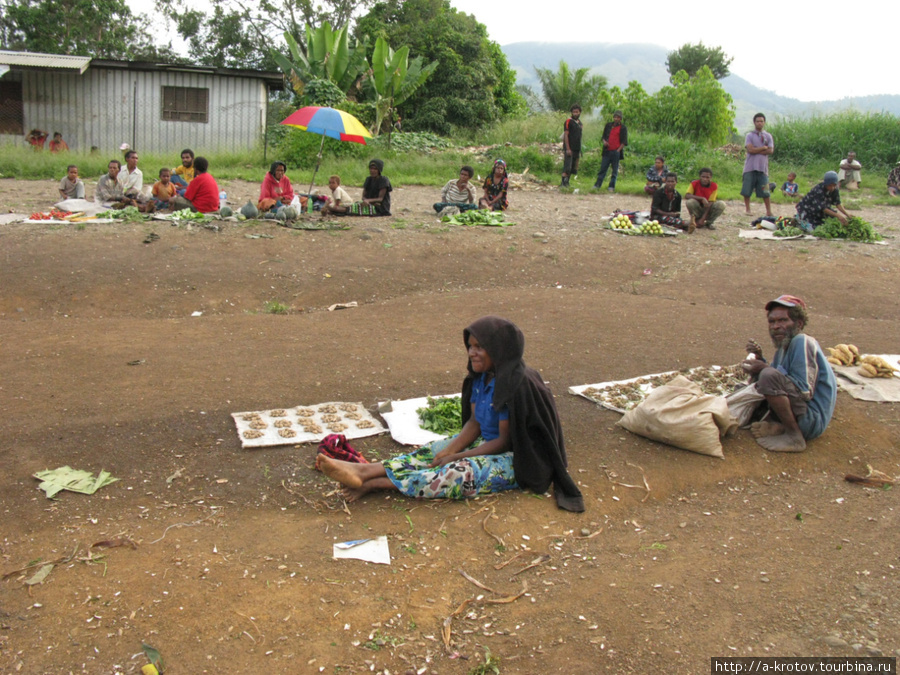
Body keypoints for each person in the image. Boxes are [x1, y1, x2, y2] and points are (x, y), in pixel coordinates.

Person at [316, 316, 585, 512]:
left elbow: (503, 441)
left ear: (499, 349)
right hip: (485, 445)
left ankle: (373, 484)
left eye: (480, 347)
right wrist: (448, 449)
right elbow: (475, 422)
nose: (472, 352)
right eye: (470, 346)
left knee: (457, 473)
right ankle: (363, 470)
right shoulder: (481, 378)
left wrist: (458, 456)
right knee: (431, 450)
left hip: (515, 459)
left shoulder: (516, 383)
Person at [741, 295, 837, 452]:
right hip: (799, 412)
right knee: (762, 378)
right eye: (772, 322)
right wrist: (759, 358)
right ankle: (779, 427)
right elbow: (778, 383)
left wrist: (764, 368)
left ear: (798, 323)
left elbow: (804, 391)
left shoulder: (802, 341)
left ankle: (794, 436)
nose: (776, 326)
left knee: (768, 375)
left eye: (783, 320)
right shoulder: (782, 350)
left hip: (811, 419)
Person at [741, 113, 774, 217]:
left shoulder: (768, 136)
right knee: (747, 189)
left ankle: (768, 211)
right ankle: (748, 209)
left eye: (761, 121)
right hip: (750, 167)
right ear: (754, 122)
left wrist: (757, 150)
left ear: (764, 122)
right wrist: (763, 148)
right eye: (757, 121)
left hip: (762, 168)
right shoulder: (749, 135)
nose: (759, 123)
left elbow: (770, 150)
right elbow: (750, 149)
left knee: (765, 189)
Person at [593, 110, 627, 192]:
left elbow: (624, 142)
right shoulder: (608, 126)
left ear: (620, 119)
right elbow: (604, 137)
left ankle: (611, 187)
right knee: (602, 169)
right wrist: (604, 142)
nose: (616, 119)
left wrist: (618, 150)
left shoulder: (623, 128)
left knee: (614, 171)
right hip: (607, 151)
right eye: (615, 117)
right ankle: (597, 185)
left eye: (618, 117)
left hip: (616, 152)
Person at [684, 168, 726, 233]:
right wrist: (701, 198)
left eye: (707, 177)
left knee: (721, 204)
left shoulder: (714, 186)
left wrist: (703, 218)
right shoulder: (694, 183)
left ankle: (709, 222)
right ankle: (696, 220)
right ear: (700, 176)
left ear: (711, 177)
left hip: (707, 208)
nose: (705, 179)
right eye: (703, 177)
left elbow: (710, 203)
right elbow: (687, 195)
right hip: (698, 208)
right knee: (690, 202)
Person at [561, 104, 583, 188]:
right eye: (574, 112)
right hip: (569, 147)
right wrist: (568, 148)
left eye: (577, 112)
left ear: (580, 112)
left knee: (573, 167)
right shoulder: (568, 121)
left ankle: (567, 183)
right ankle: (563, 183)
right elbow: (566, 135)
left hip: (577, 148)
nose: (575, 114)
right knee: (567, 166)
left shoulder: (580, 123)